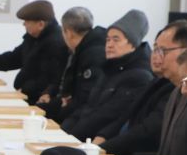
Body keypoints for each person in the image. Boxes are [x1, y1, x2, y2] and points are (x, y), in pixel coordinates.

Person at [100, 19, 187, 155]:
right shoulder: (161, 83)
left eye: (163, 50)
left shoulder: (184, 92)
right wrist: (102, 140)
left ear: (186, 52)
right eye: (155, 49)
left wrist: (104, 148)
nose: (156, 56)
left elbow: (148, 131)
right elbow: (126, 116)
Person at [65, 10, 155, 143]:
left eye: (116, 40)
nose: (109, 45)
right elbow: (87, 107)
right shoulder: (109, 68)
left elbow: (106, 116)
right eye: (108, 39)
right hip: (82, 136)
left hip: (99, 142)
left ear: (133, 44)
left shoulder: (139, 77)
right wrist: (64, 131)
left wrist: (71, 137)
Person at [0, 0, 69, 106]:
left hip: (39, 102)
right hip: (24, 95)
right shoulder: (33, 38)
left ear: (40, 24)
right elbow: (12, 59)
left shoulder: (56, 43)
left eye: (27, 21)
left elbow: (48, 79)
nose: (24, 24)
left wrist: (25, 90)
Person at [39, 6, 99, 122]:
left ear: (69, 33)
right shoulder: (81, 49)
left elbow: (84, 99)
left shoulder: (91, 55)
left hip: (81, 117)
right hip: (70, 107)